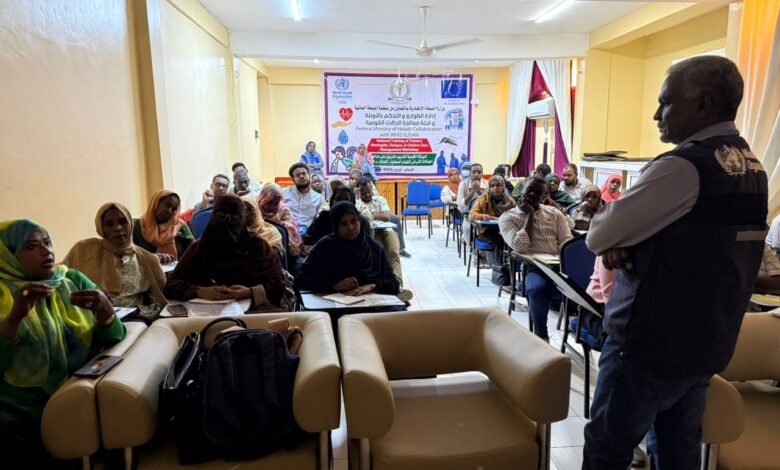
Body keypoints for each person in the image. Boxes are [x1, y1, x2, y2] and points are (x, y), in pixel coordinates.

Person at [582, 56, 768, 470]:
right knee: (677, 450)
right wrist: (630, 239)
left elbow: (598, 235)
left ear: (701, 104)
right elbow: (701, 245)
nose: (656, 114)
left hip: (650, 343)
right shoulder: (751, 166)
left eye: (665, 102)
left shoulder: (682, 168)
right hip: (707, 342)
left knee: (607, 447)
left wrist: (623, 240)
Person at [0, 219, 126, 467]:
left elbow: (115, 338)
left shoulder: (71, 280)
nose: (46, 252)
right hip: (21, 406)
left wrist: (105, 311)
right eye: (31, 247)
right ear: (8, 256)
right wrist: (14, 318)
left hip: (76, 392)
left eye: (47, 243)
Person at [166, 195, 289, 311]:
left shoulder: (258, 247)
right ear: (213, 217)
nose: (227, 223)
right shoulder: (200, 248)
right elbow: (172, 283)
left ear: (242, 221)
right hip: (206, 313)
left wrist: (249, 292)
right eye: (221, 216)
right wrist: (199, 291)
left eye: (235, 219)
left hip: (253, 311)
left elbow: (279, 284)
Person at [65, 203, 167, 321]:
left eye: (123, 222)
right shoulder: (83, 250)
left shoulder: (148, 260)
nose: (117, 228)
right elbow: (60, 282)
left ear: (130, 224)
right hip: (86, 318)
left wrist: (138, 312)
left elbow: (160, 305)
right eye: (109, 224)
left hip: (130, 321)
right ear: (101, 228)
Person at [499, 177, 572, 339]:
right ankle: (541, 337)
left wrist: (564, 259)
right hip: (533, 266)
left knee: (587, 285)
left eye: (538, 193)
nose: (532, 194)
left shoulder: (554, 214)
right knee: (538, 288)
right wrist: (530, 215)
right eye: (529, 190)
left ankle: (581, 327)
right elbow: (519, 246)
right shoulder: (508, 217)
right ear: (522, 190)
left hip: (558, 264)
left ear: (544, 196)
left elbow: (566, 242)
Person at [295, 202, 412, 303]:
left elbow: (393, 283)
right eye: (343, 224)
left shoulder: (374, 248)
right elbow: (301, 278)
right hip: (337, 307)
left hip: (372, 305)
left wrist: (373, 286)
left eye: (354, 221)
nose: (350, 227)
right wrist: (333, 285)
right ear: (336, 226)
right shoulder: (326, 246)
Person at [356, 177, 404, 287]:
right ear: (359, 192)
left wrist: (369, 215)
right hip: (371, 233)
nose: (367, 195)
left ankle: (398, 284)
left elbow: (387, 217)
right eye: (363, 193)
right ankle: (381, 284)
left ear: (371, 188)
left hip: (386, 229)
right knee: (376, 255)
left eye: (369, 191)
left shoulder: (380, 199)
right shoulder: (357, 203)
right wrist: (377, 215)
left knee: (394, 253)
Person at [469, 175, 515, 283]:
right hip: (485, 231)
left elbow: (516, 216)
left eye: (498, 185)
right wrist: (487, 217)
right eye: (492, 186)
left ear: (503, 187)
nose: (495, 188)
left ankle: (509, 269)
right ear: (489, 187)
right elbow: (471, 215)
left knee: (512, 241)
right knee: (498, 240)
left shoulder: (510, 201)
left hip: (504, 231)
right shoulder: (483, 199)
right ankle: (500, 270)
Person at [133, 190, 195, 264]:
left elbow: (195, 252)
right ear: (156, 203)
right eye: (167, 205)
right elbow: (128, 254)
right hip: (145, 270)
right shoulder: (136, 226)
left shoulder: (180, 226)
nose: (169, 211)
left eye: (174, 209)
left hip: (177, 270)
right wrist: (151, 257)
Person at [259, 183, 303, 257]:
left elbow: (291, 232)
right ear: (263, 198)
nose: (272, 206)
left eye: (276, 203)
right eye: (269, 202)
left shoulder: (283, 210)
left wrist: (276, 225)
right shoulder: (255, 208)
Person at [283, 163, 324, 230]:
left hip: (309, 233)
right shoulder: (284, 193)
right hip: (287, 231)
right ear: (293, 179)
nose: (302, 176)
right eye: (297, 175)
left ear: (309, 175)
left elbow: (318, 220)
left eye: (304, 173)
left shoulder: (318, 198)